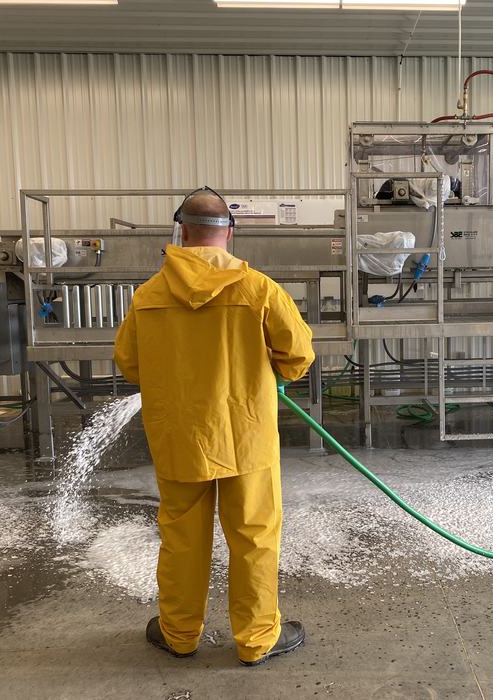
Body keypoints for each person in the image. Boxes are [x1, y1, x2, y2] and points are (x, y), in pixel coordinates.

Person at [113, 187, 315, 666]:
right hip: (246, 437)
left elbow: (128, 363)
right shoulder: (258, 288)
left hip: (180, 438)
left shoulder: (149, 295)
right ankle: (256, 639)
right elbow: (299, 356)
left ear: (180, 231)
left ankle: (179, 634)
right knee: (254, 537)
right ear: (229, 231)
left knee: (182, 538)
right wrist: (272, 370)